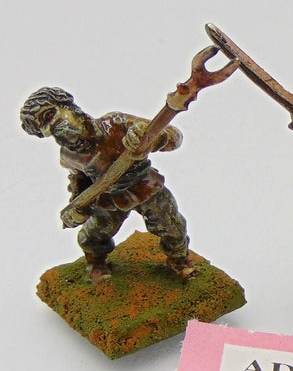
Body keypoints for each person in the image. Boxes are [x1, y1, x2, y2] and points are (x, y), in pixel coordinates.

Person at [19, 86, 195, 282]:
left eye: (50, 116)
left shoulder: (115, 123)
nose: (51, 129)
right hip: (109, 198)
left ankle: (179, 261)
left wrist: (152, 139)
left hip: (146, 186)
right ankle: (95, 263)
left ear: (66, 105)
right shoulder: (68, 156)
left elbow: (174, 135)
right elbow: (80, 181)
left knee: (173, 226)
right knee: (93, 234)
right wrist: (78, 207)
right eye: (44, 130)